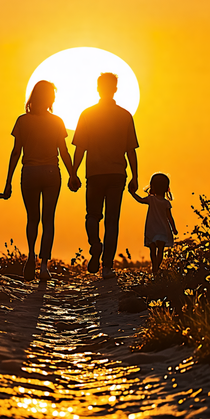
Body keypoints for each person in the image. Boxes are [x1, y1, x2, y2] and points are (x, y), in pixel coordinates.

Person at [4, 80, 78, 281]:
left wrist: (8, 180)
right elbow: (63, 151)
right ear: (49, 98)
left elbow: (16, 152)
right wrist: (72, 173)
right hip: (51, 172)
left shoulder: (22, 121)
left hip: (29, 172)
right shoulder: (56, 121)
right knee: (48, 219)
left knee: (32, 218)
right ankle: (44, 265)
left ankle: (31, 255)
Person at [71, 72, 139, 279]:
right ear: (115, 89)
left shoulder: (87, 114)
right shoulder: (125, 115)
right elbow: (131, 150)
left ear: (98, 88)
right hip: (117, 173)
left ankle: (95, 245)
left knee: (92, 216)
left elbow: (80, 148)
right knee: (112, 220)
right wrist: (135, 176)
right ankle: (107, 266)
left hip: (95, 173)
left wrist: (73, 173)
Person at [130, 172, 178, 274]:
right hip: (162, 229)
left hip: (151, 229)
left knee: (152, 250)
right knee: (160, 250)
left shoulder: (151, 199)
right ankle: (156, 268)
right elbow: (170, 217)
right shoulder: (166, 203)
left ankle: (154, 267)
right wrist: (174, 229)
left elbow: (140, 200)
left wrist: (133, 193)